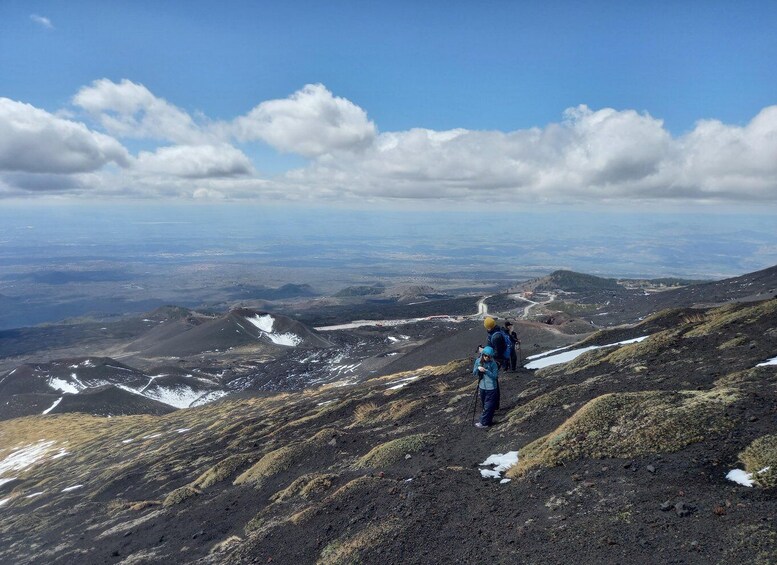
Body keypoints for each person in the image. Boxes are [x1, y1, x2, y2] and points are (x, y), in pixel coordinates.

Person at [472, 345, 499, 428]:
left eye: (489, 356)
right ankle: (488, 421)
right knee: (485, 405)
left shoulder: (493, 364)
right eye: (485, 355)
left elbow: (495, 376)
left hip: (491, 388)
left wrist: (486, 371)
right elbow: (474, 373)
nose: (487, 357)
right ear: (483, 354)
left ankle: (483, 423)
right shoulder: (478, 361)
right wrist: (478, 369)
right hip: (482, 387)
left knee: (488, 405)